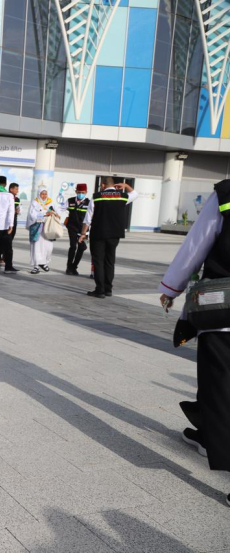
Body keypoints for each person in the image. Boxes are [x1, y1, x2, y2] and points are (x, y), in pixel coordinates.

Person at [158, 179, 230, 508]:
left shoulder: (226, 194)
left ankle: (210, 435)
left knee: (222, 392)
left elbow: (196, 245)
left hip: (223, 315)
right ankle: (205, 432)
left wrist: (171, 287)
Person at [79, 178, 136, 297]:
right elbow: (135, 194)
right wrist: (125, 185)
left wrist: (83, 233)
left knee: (98, 261)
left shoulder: (97, 196)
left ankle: (100, 290)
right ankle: (108, 289)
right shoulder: (122, 196)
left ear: (103, 185)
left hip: (98, 233)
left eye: (101, 185)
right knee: (110, 261)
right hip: (115, 234)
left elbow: (88, 218)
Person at [27, 185, 61, 274]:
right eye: (42, 194)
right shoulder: (34, 203)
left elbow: (58, 212)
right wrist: (45, 214)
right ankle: (36, 266)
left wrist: (55, 213)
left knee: (48, 247)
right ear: (39, 194)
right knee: (37, 247)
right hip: (37, 228)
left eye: (45, 194)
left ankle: (44, 262)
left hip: (48, 228)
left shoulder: (51, 202)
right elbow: (32, 216)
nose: (44, 196)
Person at [65, 183, 90, 275]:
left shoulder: (89, 202)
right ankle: (68, 267)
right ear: (76, 191)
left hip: (83, 228)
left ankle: (74, 267)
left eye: (83, 192)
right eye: (79, 192)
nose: (80, 194)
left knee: (81, 247)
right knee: (73, 246)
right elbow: (60, 208)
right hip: (72, 227)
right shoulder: (70, 201)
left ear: (86, 192)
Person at [0, 182, 20, 269]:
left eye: (17, 189)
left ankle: (5, 257)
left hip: (14, 221)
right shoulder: (6, 197)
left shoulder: (17, 199)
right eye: (16, 189)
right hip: (6, 222)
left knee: (10, 240)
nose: (17, 190)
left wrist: (17, 211)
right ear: (11, 189)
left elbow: (17, 208)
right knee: (4, 240)